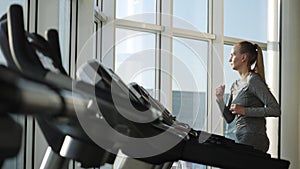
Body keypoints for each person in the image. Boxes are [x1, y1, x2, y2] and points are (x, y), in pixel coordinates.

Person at [215, 41, 281, 153]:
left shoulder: (253, 80)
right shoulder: (235, 85)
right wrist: (220, 100)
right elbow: (229, 118)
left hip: (254, 137)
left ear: (244, 57)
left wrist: (244, 110)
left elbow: (275, 110)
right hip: (241, 137)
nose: (229, 59)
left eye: (232, 55)